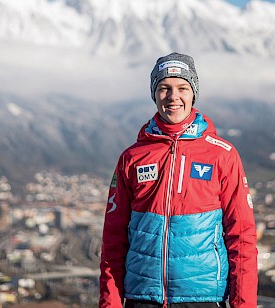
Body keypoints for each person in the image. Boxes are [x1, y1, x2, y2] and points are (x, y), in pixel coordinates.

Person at [99, 52, 258, 308]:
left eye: (182, 88)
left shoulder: (222, 155)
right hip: (142, 298)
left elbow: (242, 238)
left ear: (193, 92)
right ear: (154, 94)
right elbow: (113, 241)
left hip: (202, 298)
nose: (173, 97)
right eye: (164, 88)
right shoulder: (132, 157)